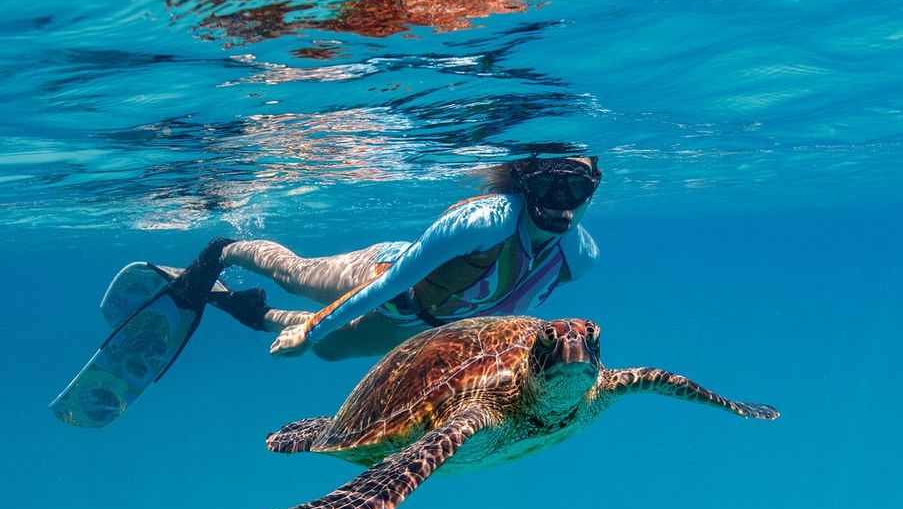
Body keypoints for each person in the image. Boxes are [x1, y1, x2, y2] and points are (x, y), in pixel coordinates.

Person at [194, 155, 603, 361]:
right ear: (524, 182)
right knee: (296, 276)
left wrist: (313, 335)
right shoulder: (481, 223)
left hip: (417, 330)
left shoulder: (580, 259)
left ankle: (246, 307)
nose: (561, 203)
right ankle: (223, 250)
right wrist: (314, 328)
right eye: (549, 184)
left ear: (592, 190)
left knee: (327, 350)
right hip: (386, 281)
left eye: (577, 188)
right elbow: (392, 283)